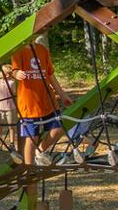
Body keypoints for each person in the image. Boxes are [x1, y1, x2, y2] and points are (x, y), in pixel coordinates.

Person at [10, 37, 72, 167]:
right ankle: (29, 169)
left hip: (47, 100)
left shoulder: (42, 50)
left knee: (58, 129)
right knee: (32, 138)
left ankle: (39, 151)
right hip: (29, 103)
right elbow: (14, 70)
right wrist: (17, 74)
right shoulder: (18, 51)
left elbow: (50, 74)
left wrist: (62, 94)